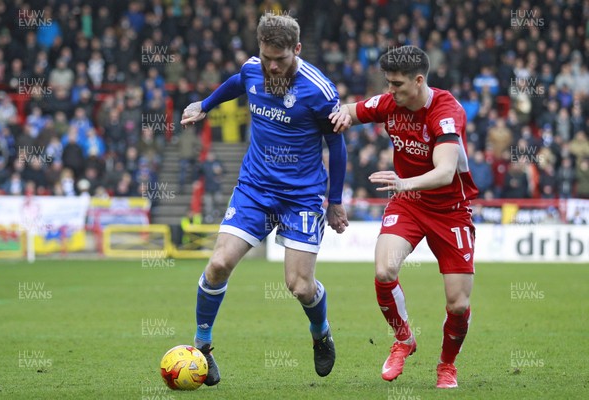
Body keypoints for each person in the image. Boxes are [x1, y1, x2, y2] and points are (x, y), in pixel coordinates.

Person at [180, 14, 350, 386]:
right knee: (219, 263)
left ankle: (321, 333)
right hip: (255, 188)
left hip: (302, 196)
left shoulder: (319, 90)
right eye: (266, 56)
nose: (272, 66)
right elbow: (238, 82)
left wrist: (334, 201)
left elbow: (336, 144)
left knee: (300, 286)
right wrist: (205, 104)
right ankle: (203, 348)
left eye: (281, 59)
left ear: (297, 50)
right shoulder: (253, 70)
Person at [330, 45, 479, 389]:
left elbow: (444, 171)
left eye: (396, 84)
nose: (389, 91)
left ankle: (446, 366)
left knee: (458, 304)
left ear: (418, 80)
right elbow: (350, 111)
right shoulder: (389, 103)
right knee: (384, 270)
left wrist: (403, 181)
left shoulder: (445, 110)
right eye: (387, 83)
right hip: (409, 203)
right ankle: (404, 339)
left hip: (450, 210)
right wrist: (339, 117)